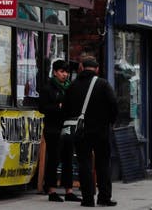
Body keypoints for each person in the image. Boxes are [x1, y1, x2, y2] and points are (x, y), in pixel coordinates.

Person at [65, 56, 118, 207]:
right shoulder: (103, 84)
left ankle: (87, 199)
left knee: (84, 164)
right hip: (101, 130)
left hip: (81, 131)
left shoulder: (73, 85)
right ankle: (104, 197)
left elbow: (66, 109)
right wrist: (110, 121)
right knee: (102, 164)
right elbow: (113, 104)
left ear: (81, 68)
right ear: (97, 69)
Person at [38, 60, 80, 202]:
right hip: (52, 128)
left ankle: (69, 190)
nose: (65, 75)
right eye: (62, 71)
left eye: (66, 72)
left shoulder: (70, 88)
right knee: (54, 160)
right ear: (55, 72)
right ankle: (51, 190)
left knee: (68, 159)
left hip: (67, 127)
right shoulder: (47, 88)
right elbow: (42, 108)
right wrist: (59, 107)